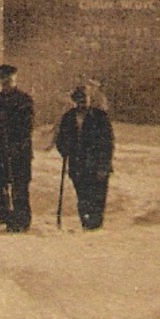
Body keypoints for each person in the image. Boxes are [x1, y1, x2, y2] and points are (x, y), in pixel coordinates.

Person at [0, 63, 35, 232]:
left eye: (9, 80)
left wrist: (9, 124)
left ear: (14, 79)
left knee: (19, 189)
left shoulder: (24, 100)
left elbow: (27, 126)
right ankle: (4, 218)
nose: (5, 83)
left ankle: (21, 221)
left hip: (18, 152)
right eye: (3, 80)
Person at [55, 85, 114, 229]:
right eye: (79, 99)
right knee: (82, 197)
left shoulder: (100, 117)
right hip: (78, 165)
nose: (82, 102)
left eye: (85, 99)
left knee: (97, 197)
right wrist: (64, 148)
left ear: (89, 99)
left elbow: (107, 143)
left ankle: (94, 225)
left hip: (97, 165)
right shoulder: (68, 117)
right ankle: (86, 223)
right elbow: (60, 139)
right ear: (75, 101)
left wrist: (104, 165)